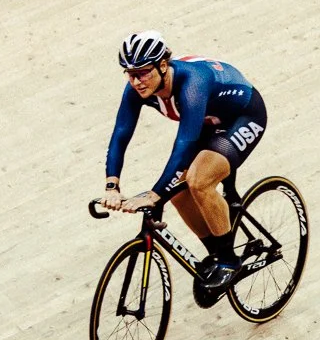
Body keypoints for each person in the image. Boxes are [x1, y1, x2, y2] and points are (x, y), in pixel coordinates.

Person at [101, 32, 268, 306]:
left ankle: (228, 261)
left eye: (142, 73)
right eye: (129, 74)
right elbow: (121, 133)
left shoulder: (192, 83)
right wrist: (112, 186)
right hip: (206, 120)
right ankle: (216, 254)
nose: (135, 81)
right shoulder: (136, 88)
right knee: (177, 192)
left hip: (243, 116)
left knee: (198, 181)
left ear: (163, 65)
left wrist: (154, 195)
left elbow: (185, 142)